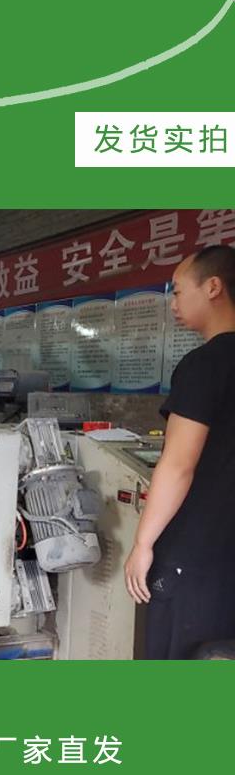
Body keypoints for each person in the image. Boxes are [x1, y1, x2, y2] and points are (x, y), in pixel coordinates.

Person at [124, 244, 235, 659]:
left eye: (177, 291)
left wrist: (143, 543)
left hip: (195, 556)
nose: (173, 303)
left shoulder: (205, 365)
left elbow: (177, 466)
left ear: (213, 287)